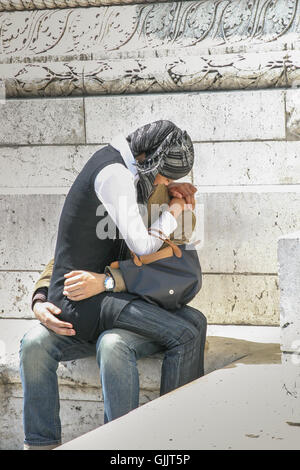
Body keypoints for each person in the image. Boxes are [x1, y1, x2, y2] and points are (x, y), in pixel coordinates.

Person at [19, 120, 207, 450]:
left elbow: (175, 262)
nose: (164, 182)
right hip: (88, 307)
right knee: (34, 342)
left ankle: (142, 447)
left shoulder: (167, 196)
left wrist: (110, 281)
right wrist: (39, 297)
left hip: (130, 302)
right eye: (163, 176)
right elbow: (69, 249)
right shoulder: (115, 179)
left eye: (171, 180)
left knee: (115, 344)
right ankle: (40, 445)